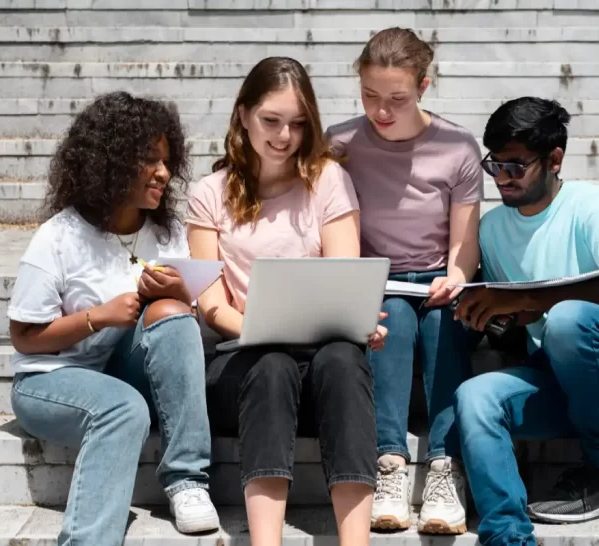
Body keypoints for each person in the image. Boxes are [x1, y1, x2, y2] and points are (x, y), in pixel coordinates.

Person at [452, 97, 599, 545]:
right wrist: (495, 317)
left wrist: (537, 301)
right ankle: (508, 534)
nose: (502, 179)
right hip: (563, 379)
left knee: (568, 319)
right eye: (494, 165)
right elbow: (518, 330)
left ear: (555, 159)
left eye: (516, 167)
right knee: (476, 396)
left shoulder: (591, 203)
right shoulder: (493, 229)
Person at [186, 57, 387, 546]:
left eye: (298, 124)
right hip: (244, 363)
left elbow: (343, 278)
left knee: (343, 358)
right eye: (271, 121)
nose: (284, 136)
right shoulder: (208, 194)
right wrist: (266, 328)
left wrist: (356, 320)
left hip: (322, 366)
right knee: (272, 363)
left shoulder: (328, 181)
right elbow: (211, 306)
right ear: (243, 115)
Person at [6, 91, 220, 545]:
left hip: (122, 369)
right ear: (110, 162)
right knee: (123, 409)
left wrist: (181, 295)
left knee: (172, 311)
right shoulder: (59, 237)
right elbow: (24, 337)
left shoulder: (167, 233)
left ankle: (188, 482)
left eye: (167, 161)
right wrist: (97, 318)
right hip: (51, 379)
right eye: (149, 160)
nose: (164, 172)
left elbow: (187, 332)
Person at [324, 27, 483, 534]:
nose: (381, 110)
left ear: (424, 87)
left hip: (438, 274)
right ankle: (389, 465)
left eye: (397, 97)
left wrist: (456, 276)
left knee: (445, 322)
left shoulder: (457, 146)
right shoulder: (341, 143)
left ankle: (444, 468)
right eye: (370, 95)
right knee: (390, 320)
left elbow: (464, 242)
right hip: (374, 273)